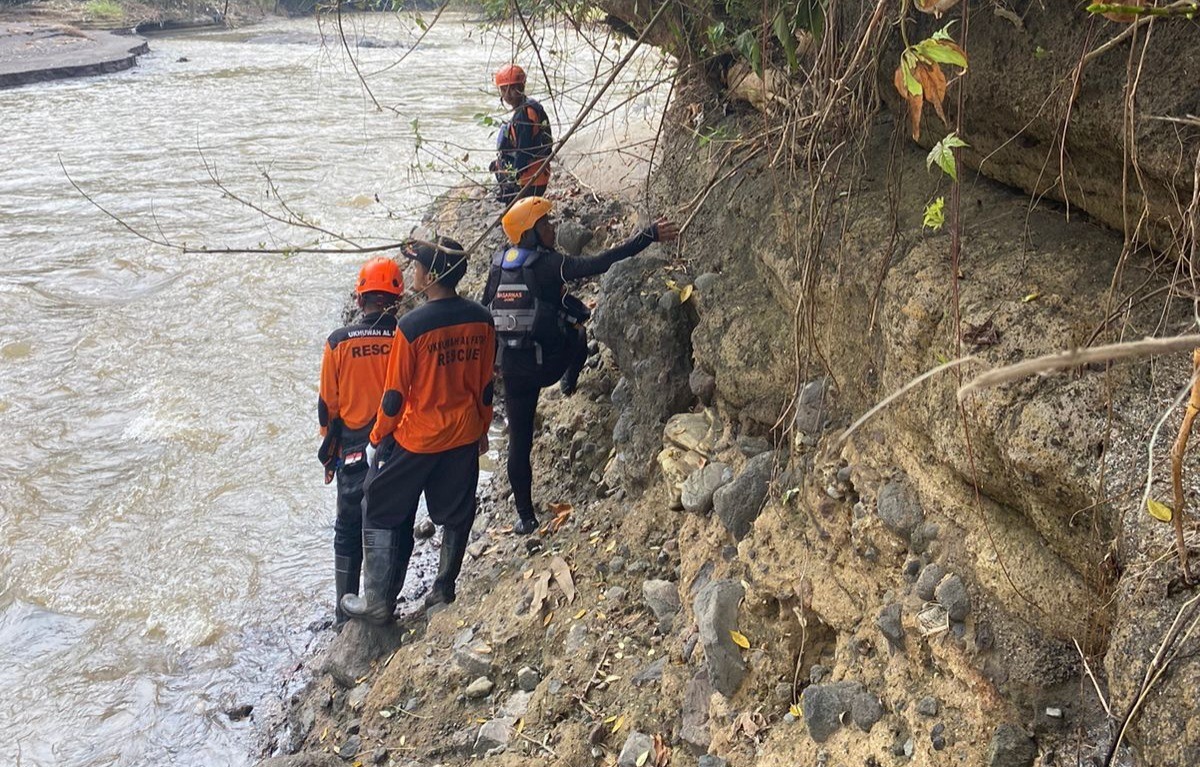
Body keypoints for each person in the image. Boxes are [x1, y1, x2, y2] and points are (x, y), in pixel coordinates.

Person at [482, 196, 679, 534]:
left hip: (513, 369)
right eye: (545, 224)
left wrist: (489, 366)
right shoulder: (549, 264)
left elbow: (486, 311)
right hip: (548, 365)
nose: (553, 228)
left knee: (520, 442)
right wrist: (649, 235)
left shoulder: (498, 265)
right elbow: (600, 262)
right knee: (578, 333)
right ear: (529, 232)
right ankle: (569, 381)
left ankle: (525, 517)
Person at [341, 237, 497, 624]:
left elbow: (394, 397)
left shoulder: (411, 327)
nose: (413, 272)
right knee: (457, 511)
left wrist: (376, 437)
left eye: (417, 266)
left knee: (377, 503)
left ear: (430, 276)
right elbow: (485, 386)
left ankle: (378, 601)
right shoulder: (482, 319)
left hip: (418, 438)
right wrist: (482, 428)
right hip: (464, 432)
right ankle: (443, 590)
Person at [317, 257, 405, 628]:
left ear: (359, 299)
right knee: (394, 521)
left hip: (353, 444)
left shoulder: (338, 342)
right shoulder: (405, 337)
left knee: (348, 525)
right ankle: (384, 601)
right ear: (396, 301)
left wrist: (329, 453)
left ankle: (343, 614)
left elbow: (328, 406)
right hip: (397, 442)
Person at [490, 64, 552, 204]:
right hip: (539, 175)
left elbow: (523, 152)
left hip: (529, 181)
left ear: (521, 87)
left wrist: (511, 177)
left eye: (512, 88)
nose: (508, 94)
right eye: (504, 89)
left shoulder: (523, 116)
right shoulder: (532, 107)